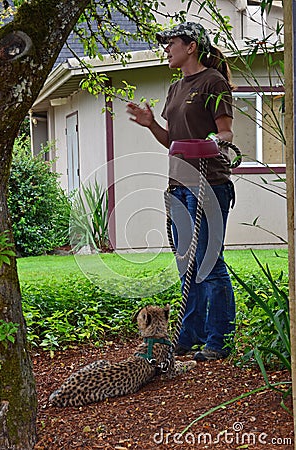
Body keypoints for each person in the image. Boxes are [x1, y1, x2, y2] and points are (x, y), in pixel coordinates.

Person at [126, 22, 236, 361]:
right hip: (177, 185)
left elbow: (226, 134)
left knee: (209, 264)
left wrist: (209, 145)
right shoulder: (176, 89)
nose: (166, 48)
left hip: (208, 183)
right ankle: (189, 336)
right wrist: (151, 125)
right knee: (186, 264)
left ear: (191, 46)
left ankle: (219, 340)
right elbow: (171, 142)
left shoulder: (213, 82)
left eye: (170, 42)